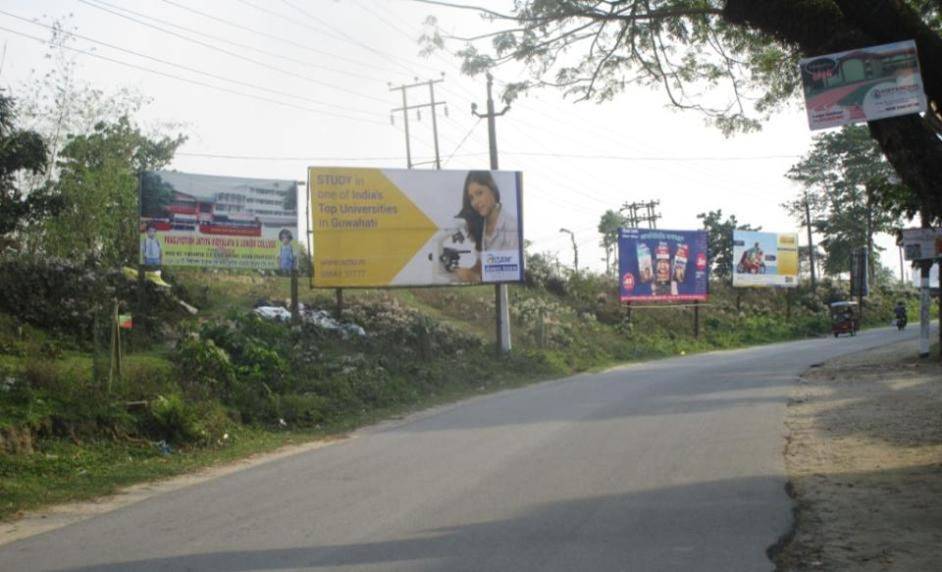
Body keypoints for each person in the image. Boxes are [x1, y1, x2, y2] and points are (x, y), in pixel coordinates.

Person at [453, 171, 519, 282]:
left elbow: (509, 270)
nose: (475, 202)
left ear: (492, 189)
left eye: (479, 193)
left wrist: (471, 276)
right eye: (472, 198)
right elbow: (477, 262)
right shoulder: (477, 224)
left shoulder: (512, 226)